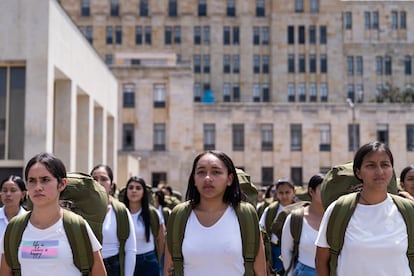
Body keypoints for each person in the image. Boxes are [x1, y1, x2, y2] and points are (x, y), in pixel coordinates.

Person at [315, 141, 414, 275]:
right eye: (370, 165)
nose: (379, 172)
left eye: (385, 165)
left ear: (392, 170)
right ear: (359, 172)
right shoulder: (338, 210)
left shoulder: (408, 210)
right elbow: (321, 260)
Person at [0, 152, 106, 275]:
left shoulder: (77, 226)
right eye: (32, 181)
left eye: (45, 180)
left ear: (62, 184)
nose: (38, 187)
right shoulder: (14, 228)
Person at [163, 150, 266, 276]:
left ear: (229, 179)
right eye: (201, 172)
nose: (207, 178)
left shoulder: (246, 215)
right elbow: (169, 269)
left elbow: (260, 271)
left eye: (216, 172)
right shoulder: (179, 216)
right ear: (194, 179)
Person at [91, 164, 136, 276]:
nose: (99, 182)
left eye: (104, 179)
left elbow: (130, 249)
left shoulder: (121, 211)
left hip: (113, 267)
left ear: (112, 185)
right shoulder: (80, 210)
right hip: (88, 267)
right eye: (94, 179)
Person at [281, 174, 325, 276]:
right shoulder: (296, 218)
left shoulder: (335, 217)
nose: (326, 193)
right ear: (311, 191)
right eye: (322, 189)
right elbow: (286, 251)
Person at [122, 176, 165, 276]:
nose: (134, 191)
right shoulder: (120, 212)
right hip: (125, 260)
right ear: (126, 190)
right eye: (131, 187)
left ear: (143, 192)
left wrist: (156, 258)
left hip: (148, 260)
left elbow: (161, 238)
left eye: (138, 188)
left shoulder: (152, 213)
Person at [259, 178, 297, 275]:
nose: (284, 196)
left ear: (294, 192)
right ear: (276, 193)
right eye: (281, 193)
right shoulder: (270, 210)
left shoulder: (301, 209)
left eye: (287, 192)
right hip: (275, 252)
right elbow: (261, 232)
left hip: (295, 252)